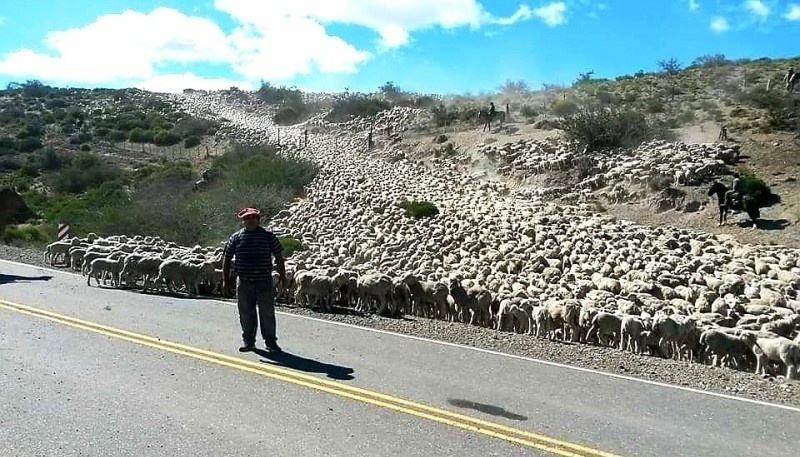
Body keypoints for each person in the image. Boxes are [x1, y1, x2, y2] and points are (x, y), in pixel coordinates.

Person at [222, 207, 286, 353]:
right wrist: (225, 279)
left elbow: (279, 256)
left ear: (258, 219)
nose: (250, 220)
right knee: (246, 312)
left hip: (264, 280)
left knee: (267, 313)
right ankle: (249, 341)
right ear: (243, 221)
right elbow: (227, 257)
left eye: (253, 218)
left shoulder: (268, 236)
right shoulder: (236, 237)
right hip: (244, 281)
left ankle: (271, 342)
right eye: (247, 218)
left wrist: (282, 276)